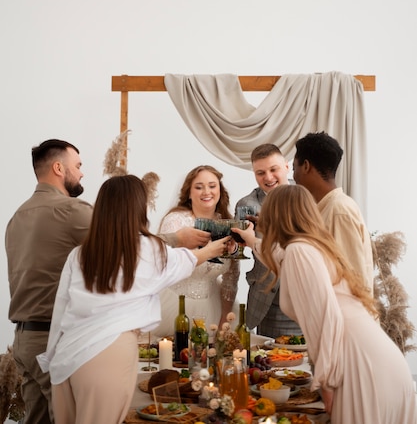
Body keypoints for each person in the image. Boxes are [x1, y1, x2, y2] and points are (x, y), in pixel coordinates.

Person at [36, 174, 228, 424]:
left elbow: (61, 308)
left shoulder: (79, 253)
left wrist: (51, 358)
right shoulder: (147, 248)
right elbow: (184, 262)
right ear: (138, 207)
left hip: (66, 355)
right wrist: (212, 250)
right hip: (110, 350)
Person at [234, 184, 417, 424]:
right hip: (374, 355)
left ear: (275, 215)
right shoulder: (307, 247)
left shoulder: (299, 251)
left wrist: (326, 383)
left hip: (357, 359)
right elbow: (276, 255)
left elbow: (325, 319)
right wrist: (251, 240)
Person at [5, 139, 93, 424]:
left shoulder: (17, 217)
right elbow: (123, 242)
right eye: (77, 166)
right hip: (51, 342)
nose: (81, 173)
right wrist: (178, 240)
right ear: (58, 168)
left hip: (23, 341)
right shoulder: (69, 210)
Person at [156, 165, 240, 336]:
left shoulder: (228, 225)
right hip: (175, 305)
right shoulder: (176, 222)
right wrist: (208, 251)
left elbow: (231, 277)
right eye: (199, 187)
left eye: (212, 186)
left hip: (215, 305)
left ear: (220, 190)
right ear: (189, 192)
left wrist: (224, 316)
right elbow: (166, 265)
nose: (206, 192)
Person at [293, 131, 374, 292]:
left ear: (306, 166)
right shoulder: (323, 209)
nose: (294, 176)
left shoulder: (339, 211)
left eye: (294, 169)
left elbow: (354, 282)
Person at [235, 144, 301, 337]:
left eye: (274, 169)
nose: (268, 178)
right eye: (260, 173)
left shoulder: (306, 196)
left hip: (306, 296)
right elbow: (237, 248)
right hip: (269, 301)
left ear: (287, 167)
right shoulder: (247, 205)